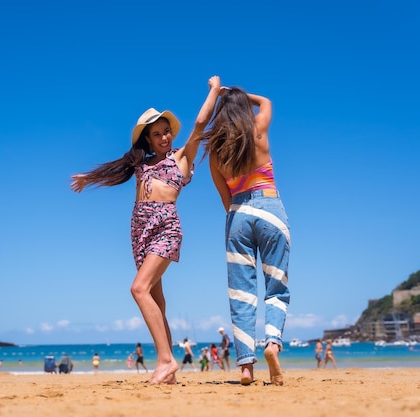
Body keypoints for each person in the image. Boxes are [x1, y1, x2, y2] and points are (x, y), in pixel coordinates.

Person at [71, 76, 222, 384]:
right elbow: (113, 169)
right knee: (157, 300)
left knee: (138, 289)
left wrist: (214, 92)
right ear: (149, 139)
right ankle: (168, 370)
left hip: (166, 226)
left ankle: (166, 362)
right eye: (157, 134)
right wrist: (88, 179)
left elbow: (199, 124)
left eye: (166, 131)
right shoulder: (141, 164)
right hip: (139, 231)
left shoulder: (181, 157)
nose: (164, 137)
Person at [201, 83, 290, 386]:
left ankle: (245, 368)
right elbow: (265, 100)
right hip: (270, 208)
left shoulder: (215, 148)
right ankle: (273, 345)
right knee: (275, 287)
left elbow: (226, 198)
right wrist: (235, 93)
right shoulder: (259, 127)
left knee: (242, 294)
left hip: (237, 214)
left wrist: (220, 96)